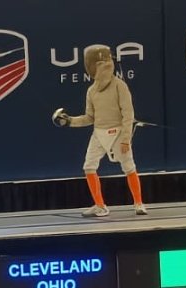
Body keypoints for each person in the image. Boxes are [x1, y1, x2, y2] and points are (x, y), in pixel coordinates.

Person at [52, 44, 147, 217]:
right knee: (89, 166)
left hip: (118, 132)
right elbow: (89, 118)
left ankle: (139, 203)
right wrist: (70, 121)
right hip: (99, 132)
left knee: (128, 166)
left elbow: (128, 114)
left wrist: (126, 139)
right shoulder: (92, 91)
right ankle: (100, 205)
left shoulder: (120, 86)